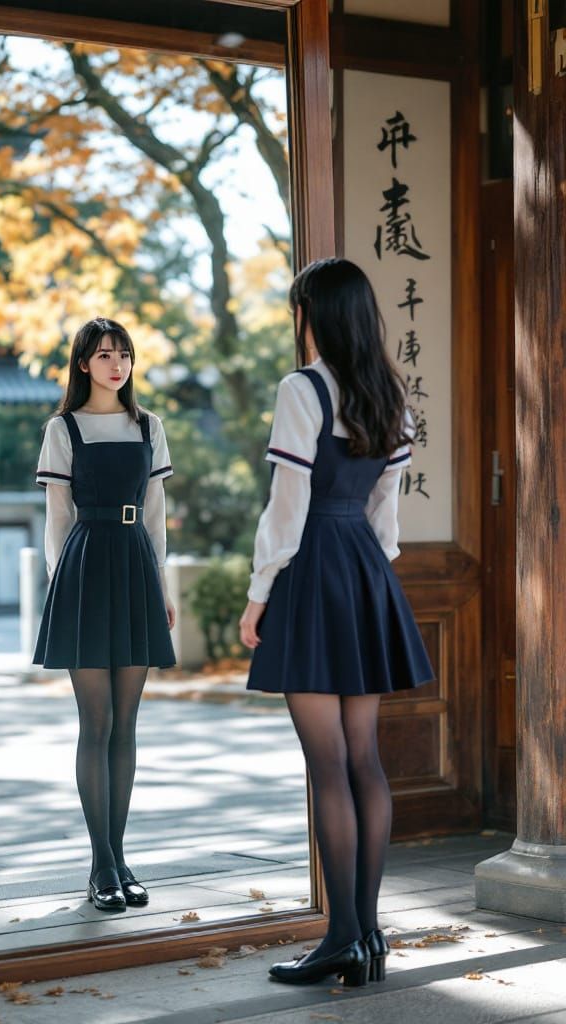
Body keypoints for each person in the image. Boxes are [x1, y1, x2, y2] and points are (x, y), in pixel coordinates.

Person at [239, 258, 434, 988]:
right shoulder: (388, 392)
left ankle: (342, 939)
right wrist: (374, 579)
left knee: (328, 764)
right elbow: (387, 509)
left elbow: (286, 507)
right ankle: (369, 937)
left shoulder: (303, 388)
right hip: (364, 569)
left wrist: (260, 593)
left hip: (315, 566)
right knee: (365, 760)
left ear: (312, 313)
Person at [33, 316, 176, 913]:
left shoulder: (150, 426)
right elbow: (57, 516)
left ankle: (121, 859)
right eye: (103, 354)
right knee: (96, 723)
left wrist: (161, 583)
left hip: (136, 567)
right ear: (83, 363)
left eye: (124, 354)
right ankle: (101, 866)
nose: (116, 364)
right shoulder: (62, 428)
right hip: (86, 568)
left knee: (127, 724)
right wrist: (58, 583)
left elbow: (156, 512)